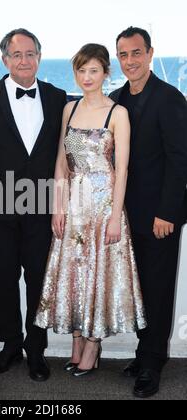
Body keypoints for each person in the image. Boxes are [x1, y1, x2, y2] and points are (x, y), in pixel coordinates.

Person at [35, 44, 147, 378]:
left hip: (102, 207)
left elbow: (122, 170)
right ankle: (76, 341)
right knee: (73, 275)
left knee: (97, 274)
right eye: (81, 71)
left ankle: (93, 345)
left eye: (93, 71)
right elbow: (61, 162)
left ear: (105, 73)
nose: (87, 77)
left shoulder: (118, 113)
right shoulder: (69, 110)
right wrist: (57, 207)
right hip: (73, 205)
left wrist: (115, 216)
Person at [0, 29, 67, 382]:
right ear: (4, 60)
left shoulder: (59, 98)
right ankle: (11, 345)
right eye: (17, 55)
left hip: (42, 202)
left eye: (30, 54)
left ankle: (36, 350)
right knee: (4, 278)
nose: (24, 60)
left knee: (39, 281)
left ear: (39, 58)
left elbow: (66, 155)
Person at [110, 26, 187, 398]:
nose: (129, 62)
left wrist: (167, 212)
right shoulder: (115, 99)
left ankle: (153, 364)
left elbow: (179, 160)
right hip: (124, 217)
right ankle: (144, 353)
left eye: (135, 53)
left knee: (157, 290)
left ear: (150, 53)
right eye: (123, 55)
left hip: (159, 216)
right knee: (138, 291)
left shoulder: (170, 98)